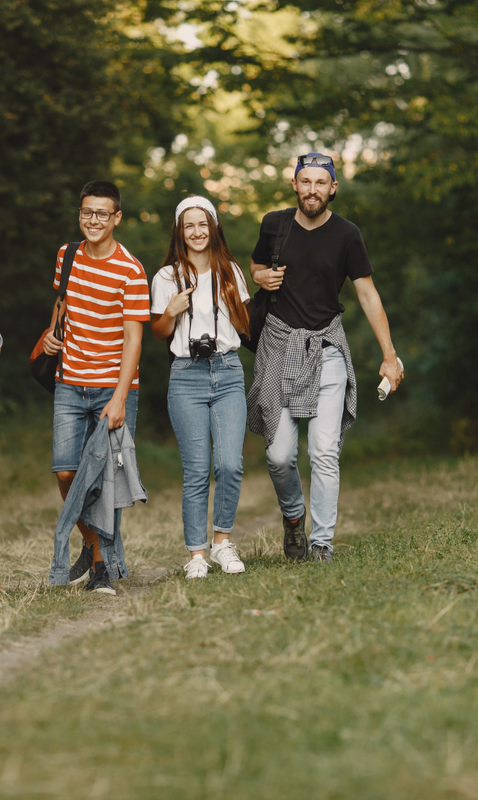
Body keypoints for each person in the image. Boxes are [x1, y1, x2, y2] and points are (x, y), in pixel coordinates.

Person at [248, 153, 404, 562]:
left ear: (333, 188)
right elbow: (256, 267)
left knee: (324, 451)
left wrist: (390, 354)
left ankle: (321, 544)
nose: (312, 190)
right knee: (279, 455)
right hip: (279, 345)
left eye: (321, 182)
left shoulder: (347, 234)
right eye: (305, 181)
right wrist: (259, 276)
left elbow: (367, 294)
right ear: (294, 185)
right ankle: (295, 520)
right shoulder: (274, 224)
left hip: (326, 348)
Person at [42, 181, 150, 594]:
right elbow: (62, 303)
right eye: (87, 212)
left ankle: (102, 570)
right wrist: (53, 334)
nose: (93, 220)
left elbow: (134, 339)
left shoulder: (131, 269)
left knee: (105, 481)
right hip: (69, 382)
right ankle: (91, 545)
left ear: (117, 218)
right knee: (67, 472)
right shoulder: (66, 255)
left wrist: (121, 397)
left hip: (112, 387)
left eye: (102, 214)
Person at [151, 196, 252, 579]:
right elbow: (158, 331)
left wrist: (231, 299)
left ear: (213, 228)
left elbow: (245, 327)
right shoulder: (165, 278)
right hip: (186, 374)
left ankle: (222, 542)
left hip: (227, 370)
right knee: (196, 469)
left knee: (229, 463)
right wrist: (173, 311)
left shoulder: (231, 271)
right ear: (180, 231)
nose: (196, 232)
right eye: (188, 225)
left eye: (203, 224)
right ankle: (196, 553)